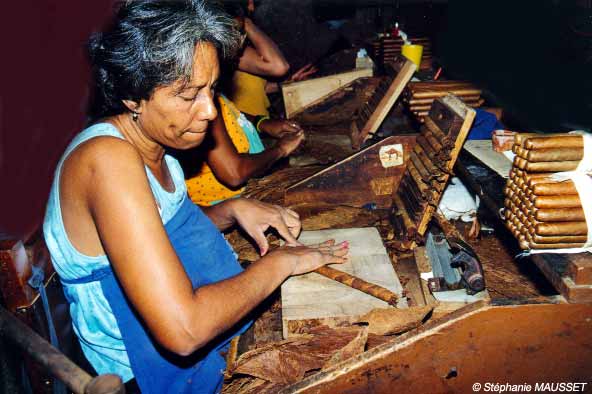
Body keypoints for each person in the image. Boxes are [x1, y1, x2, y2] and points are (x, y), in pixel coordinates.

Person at [42, 1, 348, 393]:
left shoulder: (153, 143)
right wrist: (282, 263)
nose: (208, 111)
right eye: (188, 95)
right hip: (140, 374)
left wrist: (231, 210)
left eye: (212, 89)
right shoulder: (107, 160)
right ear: (132, 97)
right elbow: (184, 330)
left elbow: (154, 232)